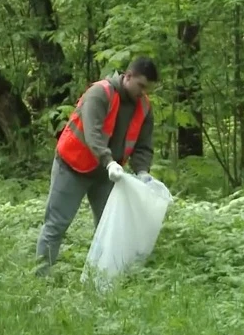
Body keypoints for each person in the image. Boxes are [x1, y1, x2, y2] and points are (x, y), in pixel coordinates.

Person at [35, 56, 159, 276]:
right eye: (140, 86)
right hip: (73, 166)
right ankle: (41, 278)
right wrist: (109, 161)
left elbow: (143, 145)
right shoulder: (100, 93)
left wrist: (142, 172)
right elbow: (93, 135)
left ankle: (102, 281)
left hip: (107, 175)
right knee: (56, 225)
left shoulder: (144, 107)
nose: (143, 92)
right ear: (128, 76)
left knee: (109, 228)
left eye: (147, 88)